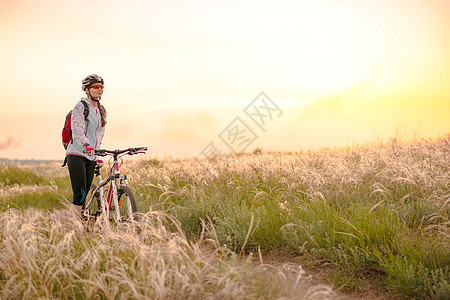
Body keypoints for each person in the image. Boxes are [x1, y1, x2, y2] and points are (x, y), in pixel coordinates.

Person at [66, 74, 107, 218]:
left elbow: (99, 135)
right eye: (96, 87)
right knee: (80, 195)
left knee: (85, 194)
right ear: (87, 90)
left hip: (91, 156)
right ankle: (74, 231)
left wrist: (98, 153)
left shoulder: (102, 111)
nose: (99, 89)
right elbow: (76, 129)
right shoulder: (80, 106)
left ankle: (82, 224)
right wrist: (86, 145)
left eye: (101, 87)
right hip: (77, 154)